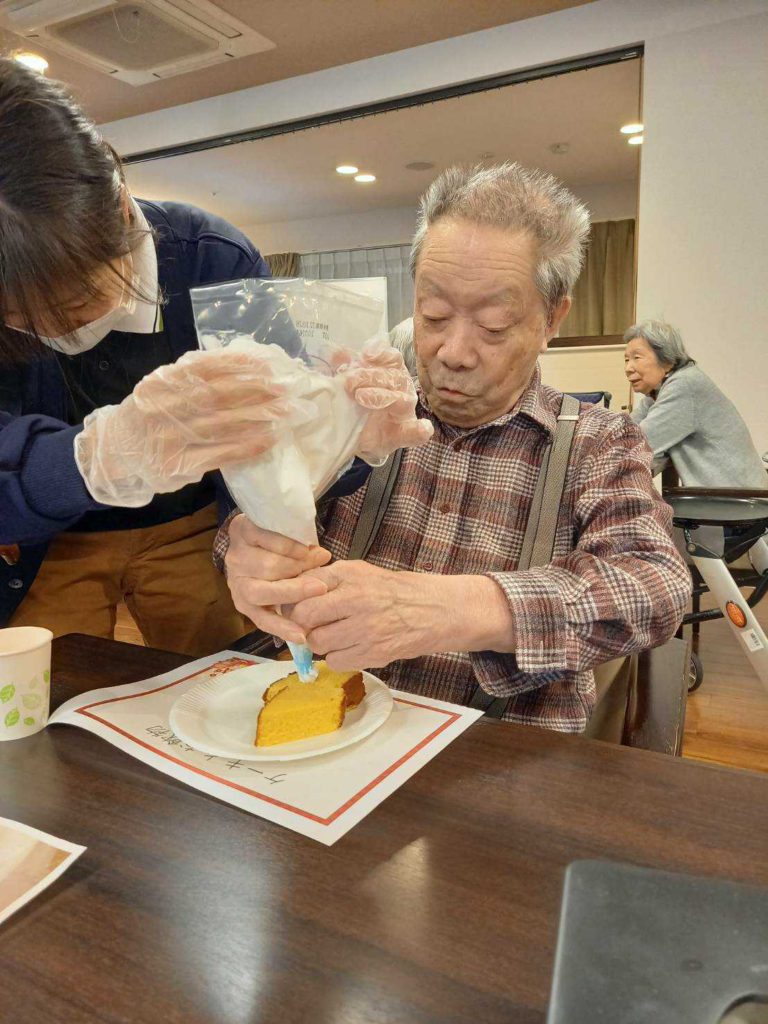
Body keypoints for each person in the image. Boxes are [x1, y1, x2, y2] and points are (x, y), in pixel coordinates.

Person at [214, 163, 692, 732]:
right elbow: (249, 535)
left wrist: (452, 610)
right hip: (326, 733)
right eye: (433, 315)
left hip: (500, 750)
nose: (452, 351)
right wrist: (246, 551)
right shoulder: (355, 415)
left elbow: (656, 587)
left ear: (552, 318)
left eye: (493, 325)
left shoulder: (599, 441)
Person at [0, 59, 421, 654]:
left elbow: (280, 436)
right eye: (19, 322)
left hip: (191, 526)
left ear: (120, 210)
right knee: (45, 706)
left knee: (219, 676)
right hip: (48, 536)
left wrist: (343, 432)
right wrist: (91, 459)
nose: (50, 332)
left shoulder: (212, 261)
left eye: (73, 304)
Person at [625, 320, 767, 489]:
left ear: (667, 361)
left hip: (738, 501)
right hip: (725, 498)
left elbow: (636, 444)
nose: (628, 368)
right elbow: (624, 431)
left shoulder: (684, 385)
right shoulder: (656, 394)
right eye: (626, 359)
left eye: (637, 358)